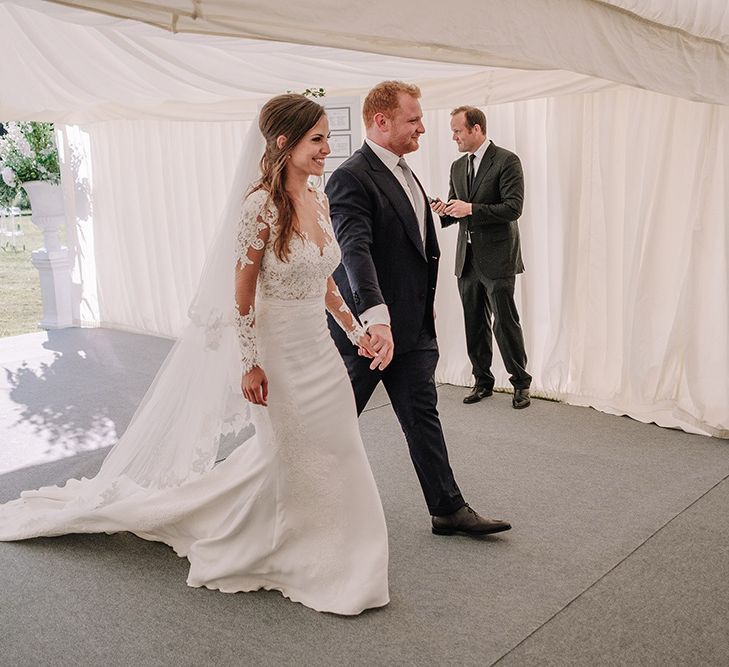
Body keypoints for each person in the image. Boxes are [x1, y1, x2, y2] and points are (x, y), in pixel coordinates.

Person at [0, 94, 389, 616]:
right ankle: (296, 550)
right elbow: (242, 293)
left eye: (325, 139)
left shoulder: (317, 198)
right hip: (277, 355)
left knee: (337, 447)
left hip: (320, 352)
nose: (326, 148)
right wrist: (250, 361)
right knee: (289, 452)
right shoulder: (260, 207)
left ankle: (331, 549)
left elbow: (324, 283)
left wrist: (356, 328)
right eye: (316, 139)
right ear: (283, 143)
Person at [325, 81, 511, 537]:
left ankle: (448, 508)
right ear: (381, 121)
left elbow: (415, 246)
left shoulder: (404, 169)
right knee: (331, 424)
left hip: (411, 330)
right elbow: (355, 252)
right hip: (371, 335)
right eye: (414, 119)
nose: (424, 128)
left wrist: (422, 308)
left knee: (422, 416)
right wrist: (376, 319)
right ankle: (289, 501)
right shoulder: (350, 176)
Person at [431, 106, 532, 409]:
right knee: (473, 322)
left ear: (476, 129)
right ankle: (482, 381)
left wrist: (471, 209)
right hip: (467, 257)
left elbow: (513, 208)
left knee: (505, 323)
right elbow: (456, 208)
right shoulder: (457, 166)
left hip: (499, 257)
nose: (453, 137)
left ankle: (521, 383)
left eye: (457, 131)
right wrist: (443, 210)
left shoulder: (506, 160)